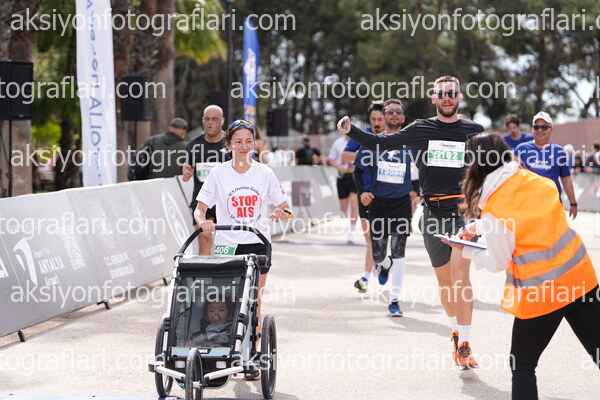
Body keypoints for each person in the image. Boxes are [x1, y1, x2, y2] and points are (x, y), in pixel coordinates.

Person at [338, 76, 484, 369]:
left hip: (463, 214)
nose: (447, 98)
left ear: (459, 97)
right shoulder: (420, 129)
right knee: (446, 283)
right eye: (442, 93)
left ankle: (467, 344)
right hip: (432, 215)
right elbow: (381, 143)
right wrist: (351, 130)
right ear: (433, 98)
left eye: (452, 93)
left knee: (461, 276)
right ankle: (456, 335)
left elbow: (489, 169)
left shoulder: (474, 131)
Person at [450, 131, 600, 399]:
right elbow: (527, 219)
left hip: (542, 292)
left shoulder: (496, 205)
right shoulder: (537, 181)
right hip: (580, 279)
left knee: (522, 364)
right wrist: (481, 226)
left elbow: (498, 261)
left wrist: (466, 250)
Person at [194, 119, 292, 369]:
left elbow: (285, 207)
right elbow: (200, 208)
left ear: (255, 144)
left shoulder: (264, 173)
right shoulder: (218, 174)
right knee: (226, 300)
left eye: (249, 141)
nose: (244, 146)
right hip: (227, 245)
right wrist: (203, 221)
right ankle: (222, 348)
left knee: (253, 300)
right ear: (228, 145)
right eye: (238, 141)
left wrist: (282, 213)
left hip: (257, 243)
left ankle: (253, 354)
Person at [354, 99, 414, 316]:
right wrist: (363, 192)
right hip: (378, 204)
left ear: (403, 117)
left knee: (399, 251)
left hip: (401, 204)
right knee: (378, 254)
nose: (394, 114)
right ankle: (384, 264)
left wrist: (417, 192)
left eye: (398, 111)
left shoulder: (411, 144)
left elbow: (421, 171)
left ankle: (394, 301)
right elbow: (358, 171)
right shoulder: (373, 142)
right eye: (390, 111)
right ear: (385, 116)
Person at [345, 101, 384, 293]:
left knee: (381, 236)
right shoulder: (364, 135)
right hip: (365, 194)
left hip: (388, 196)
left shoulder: (397, 136)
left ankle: (367, 276)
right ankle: (378, 265)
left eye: (380, 119)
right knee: (369, 236)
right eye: (373, 119)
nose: (376, 123)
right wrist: (366, 153)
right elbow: (345, 157)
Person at [514, 111, 577, 219]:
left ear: (551, 129)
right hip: (526, 207)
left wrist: (573, 203)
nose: (540, 130)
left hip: (552, 207)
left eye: (544, 127)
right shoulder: (520, 149)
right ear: (532, 129)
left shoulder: (559, 152)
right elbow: (512, 178)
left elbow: (566, 179)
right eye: (536, 127)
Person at [182, 105, 228, 255]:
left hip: (226, 201)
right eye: (207, 119)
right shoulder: (193, 145)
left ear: (222, 121)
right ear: (202, 120)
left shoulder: (231, 144)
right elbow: (187, 170)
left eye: (214, 119)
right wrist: (185, 172)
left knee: (227, 245)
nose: (210, 122)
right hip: (202, 200)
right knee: (204, 239)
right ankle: (204, 269)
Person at [328, 135, 359, 243]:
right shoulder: (338, 143)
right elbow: (331, 159)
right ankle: (348, 211)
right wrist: (339, 167)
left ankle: (351, 233)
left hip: (355, 176)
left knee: (354, 205)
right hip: (342, 176)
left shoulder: (359, 141)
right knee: (343, 207)